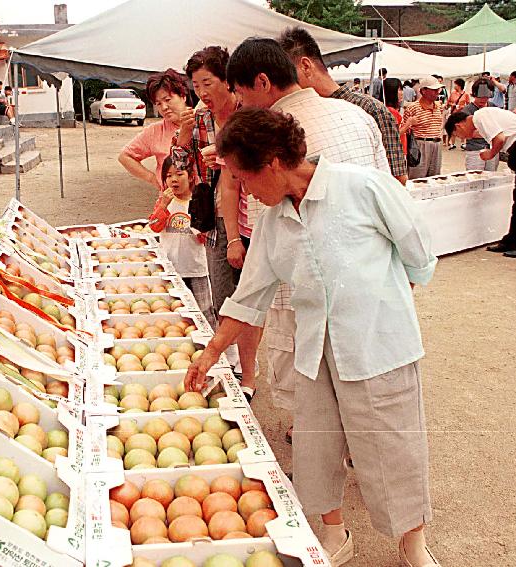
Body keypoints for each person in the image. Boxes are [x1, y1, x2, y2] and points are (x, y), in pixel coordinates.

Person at [185, 107, 438, 567]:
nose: (244, 190)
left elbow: (418, 253)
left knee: (392, 444)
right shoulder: (273, 221)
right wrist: (211, 353)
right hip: (316, 350)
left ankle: (413, 542)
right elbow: (250, 295)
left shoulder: (362, 187)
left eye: (244, 177)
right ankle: (333, 532)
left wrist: (383, 303)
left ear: (273, 163)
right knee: (317, 448)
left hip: (378, 344)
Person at [225, 37, 391, 440]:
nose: (240, 105)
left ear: (263, 82)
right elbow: (389, 189)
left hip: (307, 289)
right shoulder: (356, 116)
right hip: (370, 284)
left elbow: (274, 244)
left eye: (241, 95)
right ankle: (355, 443)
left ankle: (319, 449)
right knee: (362, 373)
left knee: (311, 382)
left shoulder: (270, 143)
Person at [170, 46, 254, 394]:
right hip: (215, 213)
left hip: (251, 212)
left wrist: (227, 156)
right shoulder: (201, 118)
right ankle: (231, 365)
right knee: (224, 297)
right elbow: (179, 163)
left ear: (227, 81)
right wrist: (184, 135)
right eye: (196, 85)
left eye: (207, 83)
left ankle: (248, 375)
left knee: (252, 294)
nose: (202, 93)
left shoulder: (247, 112)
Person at [277, 26, 408, 183]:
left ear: (306, 66)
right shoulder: (300, 116)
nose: (284, 84)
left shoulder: (370, 108)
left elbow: (397, 177)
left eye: (286, 75)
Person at [446, 108, 516, 258]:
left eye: (457, 135)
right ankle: (512, 240)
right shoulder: (482, 120)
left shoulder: (480, 116)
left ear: (458, 125)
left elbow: (499, 138)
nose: (462, 138)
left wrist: (491, 154)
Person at [147, 159, 218, 326]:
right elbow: (154, 226)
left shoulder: (197, 201)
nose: (174, 180)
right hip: (171, 268)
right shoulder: (165, 203)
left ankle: (211, 342)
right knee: (174, 309)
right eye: (169, 176)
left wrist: (200, 229)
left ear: (191, 177)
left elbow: (205, 235)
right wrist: (163, 205)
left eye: (179, 174)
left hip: (196, 268)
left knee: (204, 310)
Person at [118, 69, 189, 193]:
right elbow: (125, 156)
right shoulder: (155, 131)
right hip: (171, 203)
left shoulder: (204, 121)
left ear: (183, 96)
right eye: (158, 104)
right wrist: (152, 178)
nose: (164, 107)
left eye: (167, 100)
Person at [404, 76, 446, 179]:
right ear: (424, 91)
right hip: (420, 144)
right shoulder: (413, 108)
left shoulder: (438, 106)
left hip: (437, 144)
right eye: (434, 90)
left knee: (435, 177)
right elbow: (405, 129)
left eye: (438, 89)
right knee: (418, 177)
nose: (437, 92)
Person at [462, 78, 499, 171]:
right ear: (474, 94)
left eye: (486, 97)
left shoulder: (493, 107)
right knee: (474, 179)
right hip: (475, 150)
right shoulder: (467, 110)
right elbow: (468, 133)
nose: (483, 99)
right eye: (480, 97)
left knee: (491, 179)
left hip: (492, 149)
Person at [384, 77, 414, 154]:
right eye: (399, 89)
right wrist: (408, 123)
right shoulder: (391, 111)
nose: (402, 93)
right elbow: (395, 133)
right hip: (397, 150)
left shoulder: (391, 109)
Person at [446, 78, 470, 149]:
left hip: (462, 114)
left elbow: (468, 104)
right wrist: (452, 104)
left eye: (455, 84)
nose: (454, 86)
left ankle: (463, 143)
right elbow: (448, 102)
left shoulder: (465, 94)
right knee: (453, 128)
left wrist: (462, 106)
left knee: (463, 127)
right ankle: (452, 144)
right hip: (454, 113)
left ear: (459, 85)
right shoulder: (453, 93)